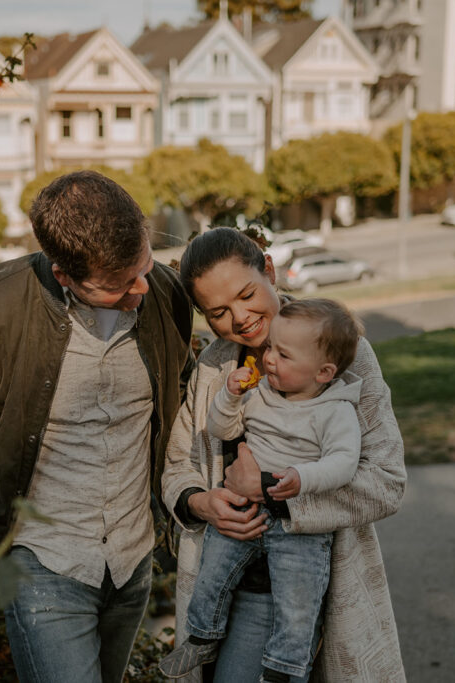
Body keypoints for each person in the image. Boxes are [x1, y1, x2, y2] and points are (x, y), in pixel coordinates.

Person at [0, 170, 194, 683]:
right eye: (118, 285)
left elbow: (182, 387)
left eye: (143, 265)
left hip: (132, 557)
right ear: (64, 274)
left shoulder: (164, 292)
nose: (142, 287)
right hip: (41, 561)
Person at [162, 227, 407, 683]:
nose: (240, 319)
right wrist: (201, 502)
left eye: (247, 294)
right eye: (218, 312)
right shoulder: (215, 367)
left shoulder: (340, 353)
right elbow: (178, 465)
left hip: (299, 585)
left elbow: (387, 483)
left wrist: (275, 494)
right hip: (221, 580)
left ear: (270, 270)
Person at [160, 299, 365, 682]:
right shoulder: (263, 393)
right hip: (246, 515)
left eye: (282, 355)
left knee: (297, 600)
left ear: (323, 372)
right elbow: (220, 429)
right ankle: (201, 636)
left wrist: (298, 478)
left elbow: (343, 462)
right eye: (270, 348)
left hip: (298, 527)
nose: (268, 359)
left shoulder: (335, 410)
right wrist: (231, 396)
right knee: (213, 572)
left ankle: (283, 669)